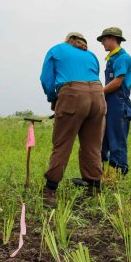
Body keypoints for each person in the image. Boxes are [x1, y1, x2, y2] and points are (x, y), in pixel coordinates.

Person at [39, 32, 105, 199]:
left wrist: (53, 97)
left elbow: (46, 79)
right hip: (98, 95)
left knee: (62, 143)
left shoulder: (57, 50)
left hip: (72, 94)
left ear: (67, 41)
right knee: (92, 145)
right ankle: (94, 188)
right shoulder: (90, 55)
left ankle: (50, 190)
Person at [98, 27, 131, 176]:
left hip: (119, 104)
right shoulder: (111, 59)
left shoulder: (123, 58)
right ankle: (104, 173)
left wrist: (98, 92)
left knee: (117, 139)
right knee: (104, 138)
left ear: (113, 39)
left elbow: (118, 82)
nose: (102, 43)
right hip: (109, 103)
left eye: (104, 40)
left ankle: (119, 174)